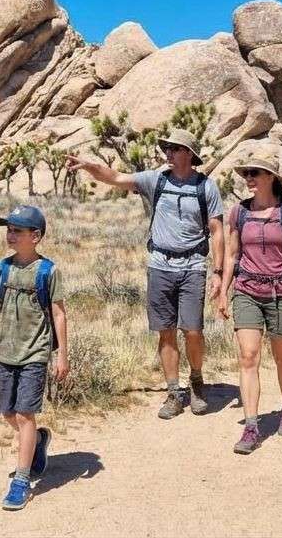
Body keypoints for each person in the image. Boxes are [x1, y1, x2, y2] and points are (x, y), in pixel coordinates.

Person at [67, 128, 224, 419]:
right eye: (167, 148)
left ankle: (197, 380)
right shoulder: (156, 179)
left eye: (175, 148)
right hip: (160, 264)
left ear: (189, 154)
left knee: (192, 330)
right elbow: (116, 177)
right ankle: (175, 392)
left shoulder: (206, 187)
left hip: (192, 266)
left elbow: (216, 230)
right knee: (165, 331)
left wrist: (218, 271)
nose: (169, 152)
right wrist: (90, 167)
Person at [216, 157, 282, 454]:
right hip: (247, 290)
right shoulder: (239, 212)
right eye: (246, 173)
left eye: (255, 173)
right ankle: (251, 426)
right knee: (248, 357)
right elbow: (232, 255)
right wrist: (223, 291)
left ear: (271, 177)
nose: (249, 178)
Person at [0, 204, 70, 510]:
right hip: (6, 351)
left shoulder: (48, 271)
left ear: (36, 236)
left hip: (35, 352)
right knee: (7, 412)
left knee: (25, 414)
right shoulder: (1, 269)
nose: (10, 235)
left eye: (17, 230)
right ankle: (38, 441)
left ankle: (21, 480)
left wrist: (62, 355)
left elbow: (59, 314)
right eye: (8, 229)